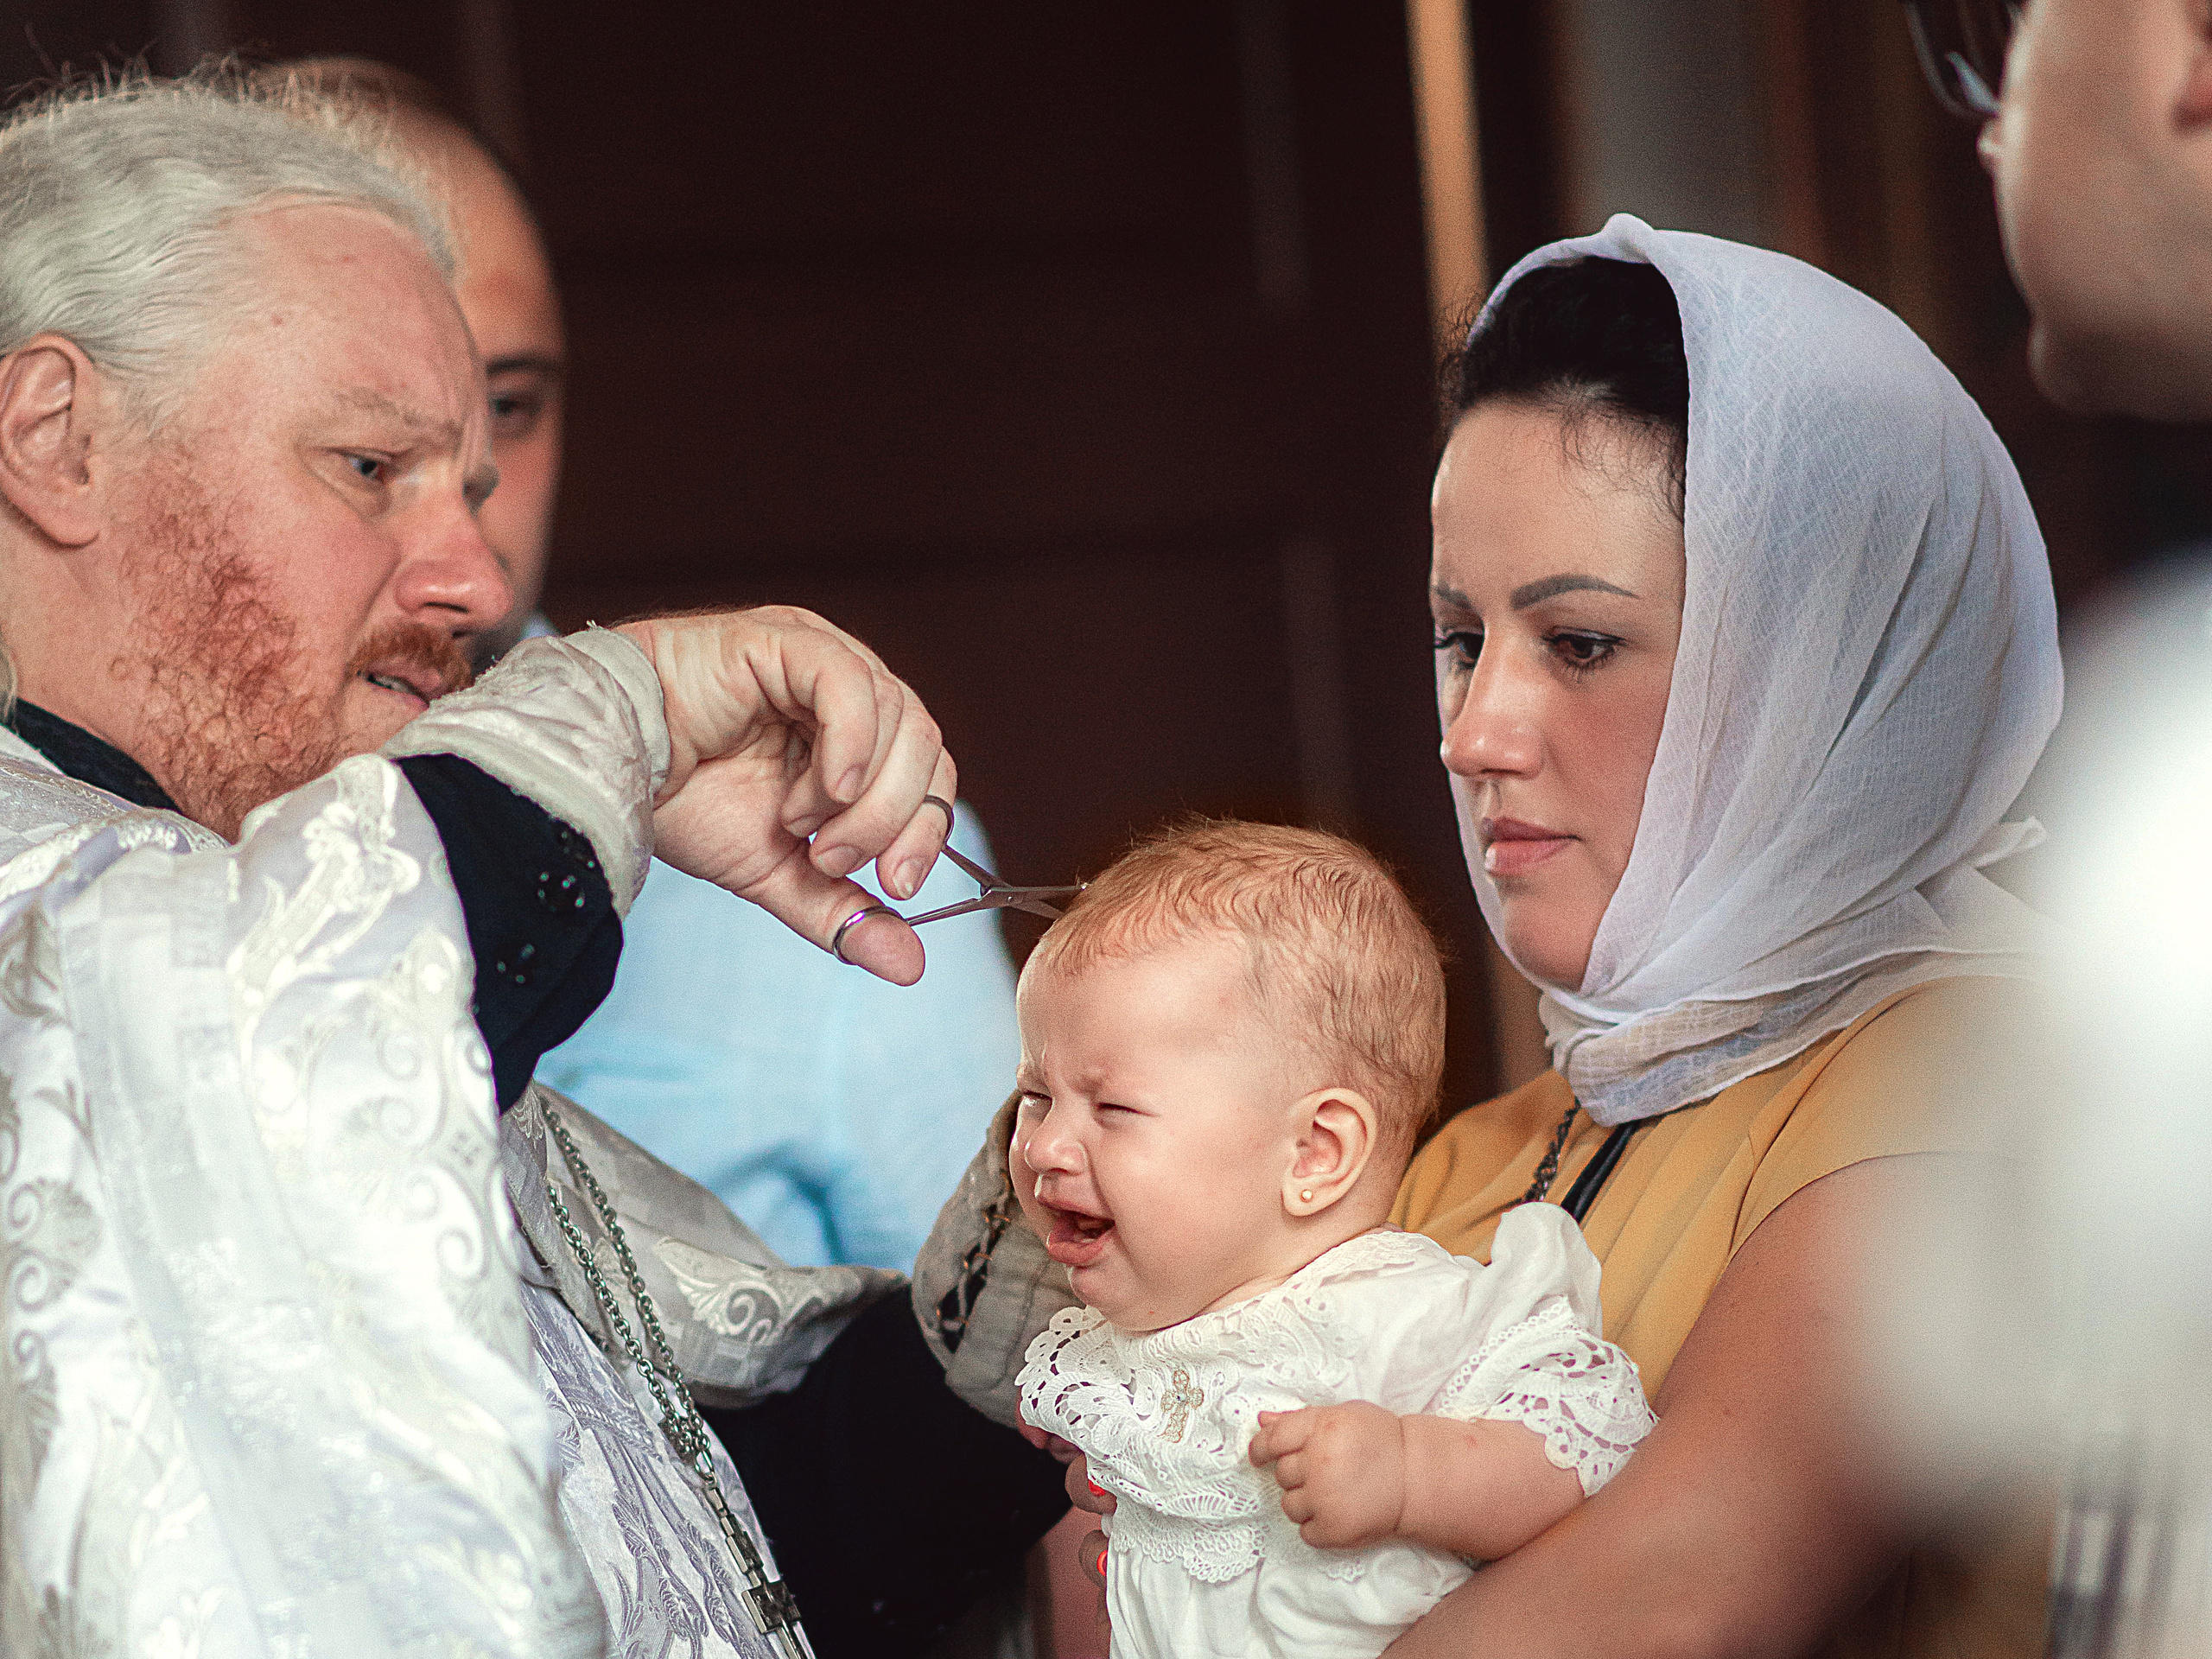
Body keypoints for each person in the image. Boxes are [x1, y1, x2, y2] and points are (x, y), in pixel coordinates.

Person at [0, 68, 1065, 1659]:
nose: (478, 578)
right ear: (57, 439)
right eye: (370, 468)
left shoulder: (292, 915)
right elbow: (268, 1068)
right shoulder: (191, 949)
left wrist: (1081, 1207)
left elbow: (693, 1546)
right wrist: (621, 709)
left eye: (478, 483)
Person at [982, 218, 2063, 1655]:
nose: (1478, 733)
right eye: (1458, 638)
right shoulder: (1458, 1158)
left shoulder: (1977, 1085)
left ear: (1813, 671)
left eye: (1582, 643)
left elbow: (1671, 1594)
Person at [269, 57, 1020, 1272]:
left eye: (509, 408)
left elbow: (1055, 1395)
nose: (475, 537)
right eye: (369, 453)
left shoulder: (830, 854)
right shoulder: (77, 873)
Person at [1008, 820, 1654, 1659]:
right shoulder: (1151, 1320)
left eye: (1114, 1109)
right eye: (1033, 1096)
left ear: (1314, 1153)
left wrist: (1411, 1472)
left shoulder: (1394, 1312)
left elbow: (1584, 1439)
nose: (1044, 1148)